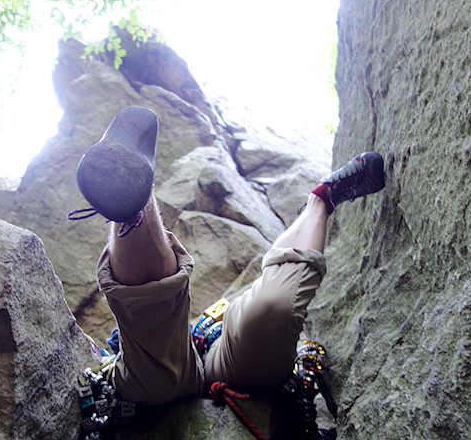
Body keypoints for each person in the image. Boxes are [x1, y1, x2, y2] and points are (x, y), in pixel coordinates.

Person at [71, 106, 385, 405]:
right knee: (160, 376)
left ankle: (321, 201)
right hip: (173, 365)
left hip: (214, 350)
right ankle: (130, 205)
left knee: (272, 310)